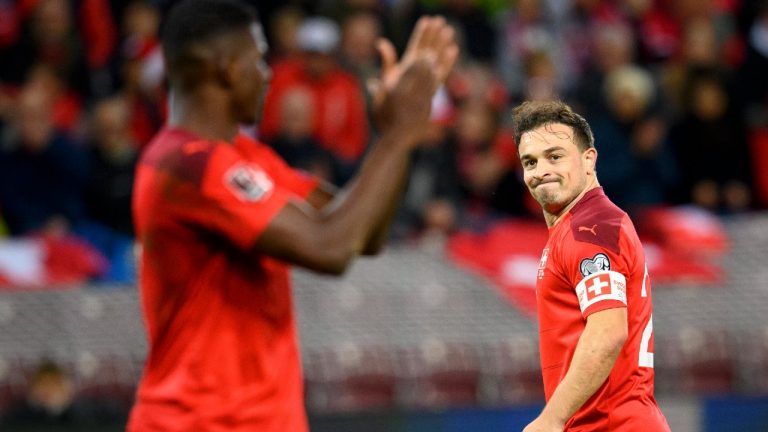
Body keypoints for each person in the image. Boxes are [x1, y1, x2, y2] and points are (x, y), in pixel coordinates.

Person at [126, 0, 458, 430]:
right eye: (259, 59)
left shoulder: (243, 157)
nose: (268, 75)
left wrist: (392, 138)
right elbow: (331, 247)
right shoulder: (186, 165)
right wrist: (399, 134)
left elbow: (362, 232)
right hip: (200, 421)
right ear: (227, 69)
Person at [513, 100, 670, 431]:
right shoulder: (585, 225)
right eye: (530, 161)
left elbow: (608, 332)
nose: (540, 171)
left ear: (589, 159)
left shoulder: (589, 229)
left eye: (555, 156)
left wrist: (551, 420)